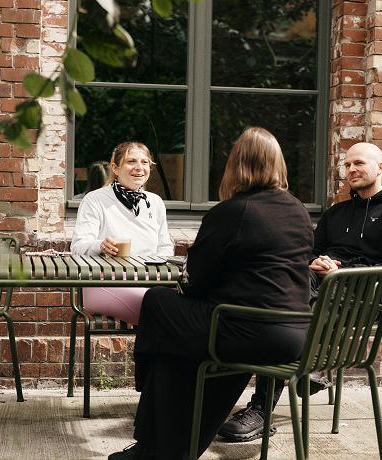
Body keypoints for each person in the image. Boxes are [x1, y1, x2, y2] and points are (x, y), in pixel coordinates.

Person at [108, 127, 314, 460]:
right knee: (180, 347)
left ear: (236, 164)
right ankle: (163, 448)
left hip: (246, 331)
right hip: (293, 334)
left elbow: (196, 282)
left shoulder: (233, 212)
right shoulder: (298, 211)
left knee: (157, 303)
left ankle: (151, 434)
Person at [219, 141, 382, 442]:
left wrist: (341, 270)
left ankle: (264, 407)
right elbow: (306, 252)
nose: (351, 169)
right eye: (348, 165)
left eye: (359, 163)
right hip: (318, 291)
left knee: (291, 312)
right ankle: (313, 362)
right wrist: (316, 262)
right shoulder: (337, 212)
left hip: (366, 299)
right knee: (283, 296)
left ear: (380, 167)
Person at [71, 142, 173, 324]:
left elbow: (165, 249)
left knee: (176, 304)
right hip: (103, 282)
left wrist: (157, 273)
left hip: (146, 282)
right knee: (164, 307)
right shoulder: (95, 200)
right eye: (131, 161)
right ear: (115, 168)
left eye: (145, 162)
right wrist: (100, 245)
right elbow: (78, 247)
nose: (139, 168)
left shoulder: (155, 202)